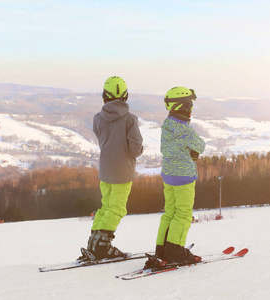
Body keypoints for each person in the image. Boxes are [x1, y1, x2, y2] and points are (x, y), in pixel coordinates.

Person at [81, 76, 143, 261]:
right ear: (125, 95)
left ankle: (93, 243)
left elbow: (101, 138)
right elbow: (136, 148)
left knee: (106, 207)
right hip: (123, 172)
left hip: (105, 170)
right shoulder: (130, 119)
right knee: (117, 209)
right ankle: (102, 247)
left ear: (105, 96)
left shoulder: (97, 118)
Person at [146, 86, 205, 268]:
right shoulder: (186, 131)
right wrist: (192, 152)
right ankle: (175, 251)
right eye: (190, 104)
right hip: (184, 178)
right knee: (183, 214)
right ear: (184, 106)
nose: (192, 107)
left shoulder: (167, 126)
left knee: (169, 213)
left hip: (169, 176)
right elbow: (200, 146)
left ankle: (162, 249)